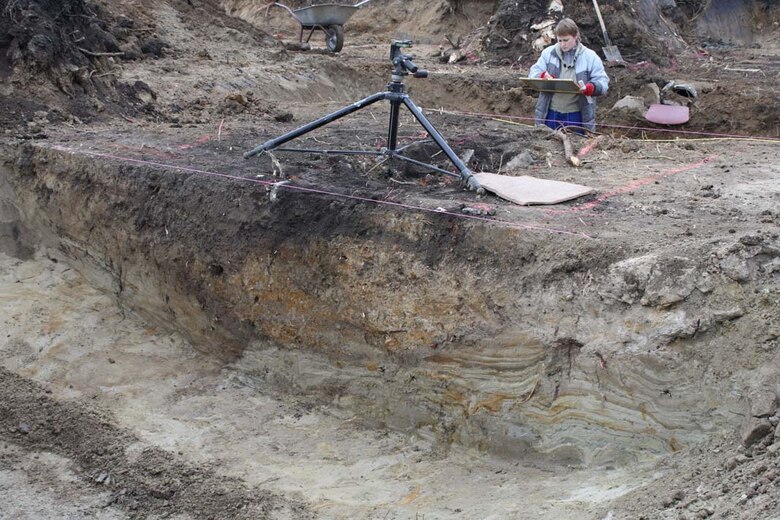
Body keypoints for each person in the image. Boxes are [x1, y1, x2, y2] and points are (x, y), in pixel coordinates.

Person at [528, 18, 609, 133]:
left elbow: (603, 82)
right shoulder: (548, 54)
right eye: (559, 40)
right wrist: (542, 76)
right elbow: (533, 73)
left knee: (575, 147)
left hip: (576, 115)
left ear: (576, 36)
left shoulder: (590, 57)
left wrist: (591, 88)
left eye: (566, 40)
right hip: (550, 114)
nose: (562, 44)